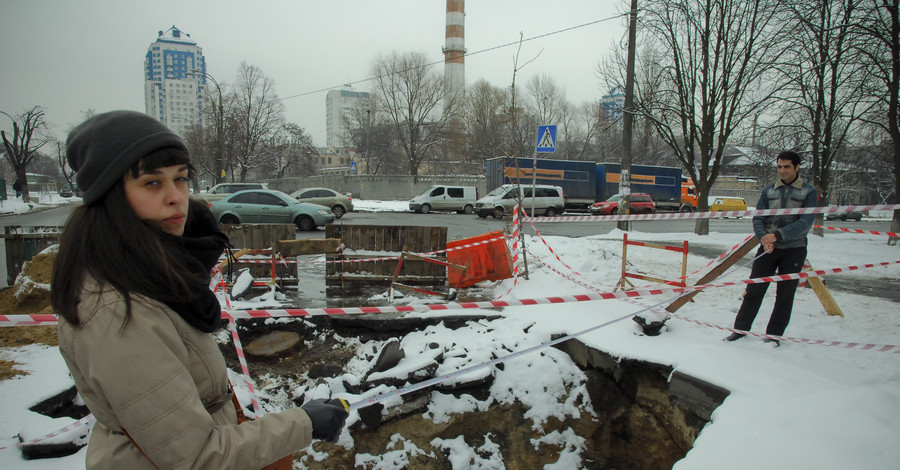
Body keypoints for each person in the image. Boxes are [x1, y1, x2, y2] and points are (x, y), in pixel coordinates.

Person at [51, 110, 348, 469]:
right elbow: (194, 457)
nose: (176, 196)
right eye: (152, 183)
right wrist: (304, 423)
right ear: (111, 196)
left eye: (180, 179)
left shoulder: (151, 277)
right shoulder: (119, 313)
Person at [724, 151, 817, 346]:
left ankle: (774, 335)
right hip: (767, 248)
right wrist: (764, 239)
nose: (782, 171)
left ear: (797, 167)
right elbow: (759, 217)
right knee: (754, 290)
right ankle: (740, 330)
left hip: (793, 249)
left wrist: (777, 235)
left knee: (785, 294)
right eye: (779, 167)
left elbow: (806, 222)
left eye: (787, 167)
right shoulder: (769, 191)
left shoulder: (809, 192)